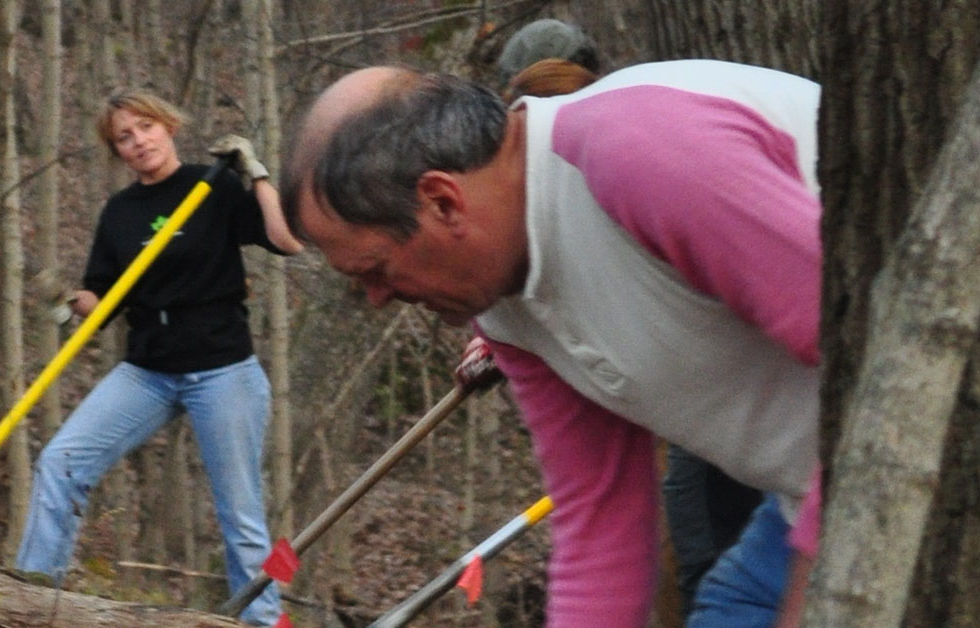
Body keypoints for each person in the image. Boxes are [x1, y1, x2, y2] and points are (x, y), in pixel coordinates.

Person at [280, 60, 822, 628]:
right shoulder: (504, 303)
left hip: (891, 455)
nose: (376, 299)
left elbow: (869, 384)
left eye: (377, 270)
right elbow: (600, 520)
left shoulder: (644, 156)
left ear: (442, 201)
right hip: (804, 491)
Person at [16, 87, 302, 627]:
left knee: (239, 514)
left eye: (144, 127)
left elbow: (287, 242)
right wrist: (67, 303)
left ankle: (261, 621)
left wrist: (257, 175)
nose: (138, 141)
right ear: (117, 151)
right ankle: (31, 600)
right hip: (148, 369)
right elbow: (102, 300)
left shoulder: (212, 187)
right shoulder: (120, 213)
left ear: (167, 126)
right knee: (60, 462)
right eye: (124, 137)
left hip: (222, 367)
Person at [498, 55, 767, 620]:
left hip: (754, 412)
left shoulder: (633, 166)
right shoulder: (537, 241)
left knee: (711, 568)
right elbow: (596, 515)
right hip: (716, 423)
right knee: (713, 574)